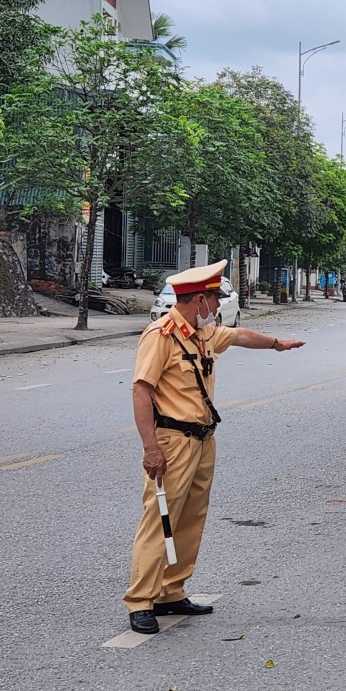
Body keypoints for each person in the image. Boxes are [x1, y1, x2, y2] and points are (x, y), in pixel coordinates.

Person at [124, 260, 305, 635]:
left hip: (203, 439)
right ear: (199, 300)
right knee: (160, 518)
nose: (217, 307)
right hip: (172, 441)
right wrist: (150, 448)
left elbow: (239, 336)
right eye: (214, 300)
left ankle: (172, 590)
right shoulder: (161, 335)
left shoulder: (200, 333)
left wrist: (276, 345)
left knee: (191, 517)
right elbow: (142, 391)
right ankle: (141, 600)